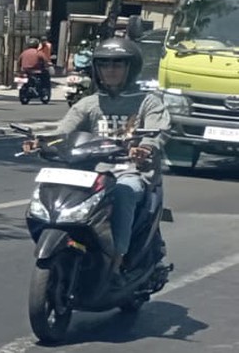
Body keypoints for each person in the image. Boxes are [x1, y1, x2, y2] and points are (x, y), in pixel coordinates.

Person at [24, 37, 169, 273]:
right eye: (104, 65)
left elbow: (157, 132)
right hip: (89, 172)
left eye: (117, 65)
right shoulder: (89, 103)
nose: (110, 70)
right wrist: (40, 142)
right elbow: (62, 132)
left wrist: (145, 148)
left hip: (130, 171)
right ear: (96, 69)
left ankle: (118, 256)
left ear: (130, 68)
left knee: (123, 193)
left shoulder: (148, 103)